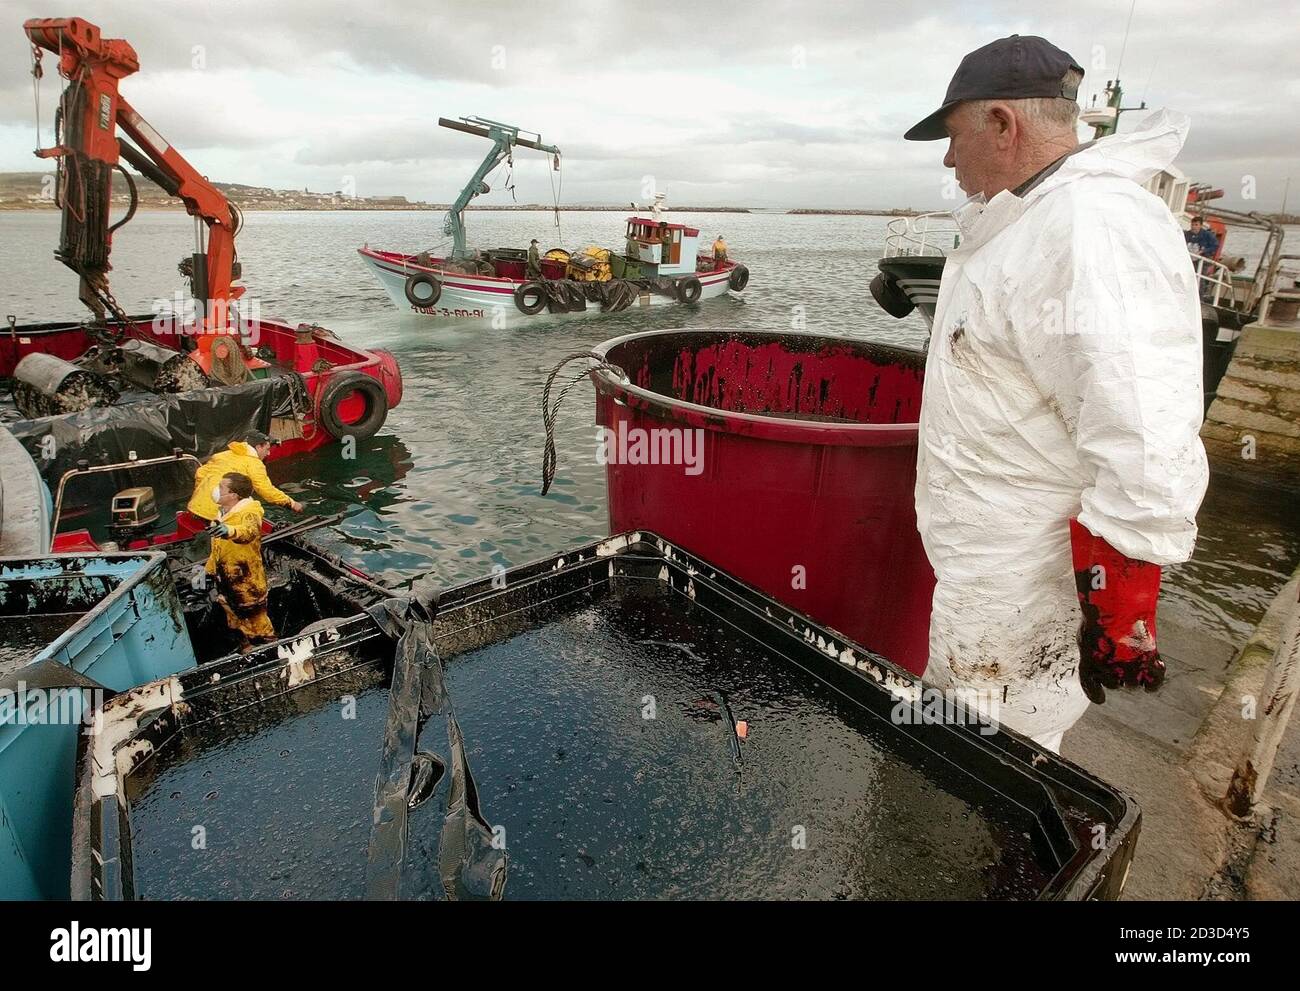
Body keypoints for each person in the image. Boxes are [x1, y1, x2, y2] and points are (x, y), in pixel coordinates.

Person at [902, 35, 1208, 752]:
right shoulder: (1031, 219)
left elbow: (1143, 427)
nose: (949, 161)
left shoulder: (1091, 226)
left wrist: (1120, 610)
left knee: (1000, 776)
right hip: (985, 586)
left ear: (1003, 126)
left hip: (1023, 605)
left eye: (953, 138)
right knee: (964, 752)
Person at [204, 471, 275, 651]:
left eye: (221, 487)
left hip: (246, 581)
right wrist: (209, 570)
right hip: (226, 580)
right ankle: (246, 649)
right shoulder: (221, 514)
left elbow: (248, 532)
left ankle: (273, 653)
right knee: (233, 618)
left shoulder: (249, 512)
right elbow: (217, 549)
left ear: (234, 494)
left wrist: (230, 531)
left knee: (257, 621)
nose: (216, 490)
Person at [187, 429, 304, 522]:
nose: (268, 453)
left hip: (195, 508)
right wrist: (291, 503)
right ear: (258, 447)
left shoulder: (223, 455)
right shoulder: (254, 464)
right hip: (217, 515)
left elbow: (200, 474)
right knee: (250, 505)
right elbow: (266, 491)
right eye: (267, 449)